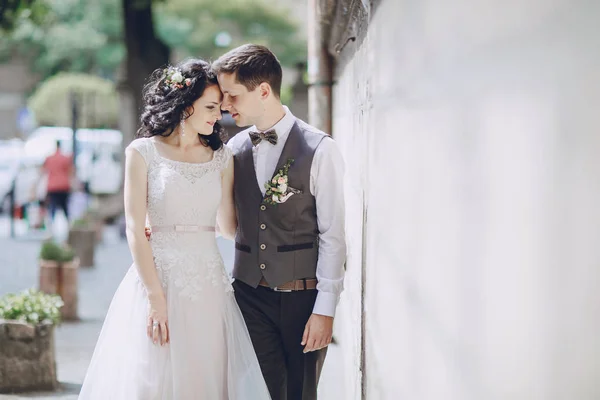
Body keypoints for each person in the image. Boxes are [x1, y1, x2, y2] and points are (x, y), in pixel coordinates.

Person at [79, 59, 271, 399]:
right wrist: (156, 298)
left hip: (208, 286)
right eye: (211, 107)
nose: (218, 115)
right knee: (153, 379)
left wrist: (270, 205)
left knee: (206, 376)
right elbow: (135, 228)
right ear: (185, 104)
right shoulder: (143, 152)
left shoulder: (222, 158)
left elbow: (228, 227)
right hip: (157, 281)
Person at [213, 44, 347, 400]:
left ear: (263, 90)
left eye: (233, 96)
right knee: (261, 392)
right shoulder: (234, 150)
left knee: (300, 393)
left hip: (302, 299)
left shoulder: (320, 149)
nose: (226, 105)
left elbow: (333, 236)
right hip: (249, 296)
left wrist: (325, 309)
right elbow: (228, 223)